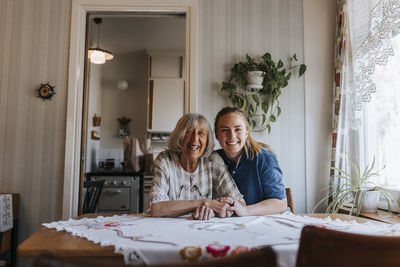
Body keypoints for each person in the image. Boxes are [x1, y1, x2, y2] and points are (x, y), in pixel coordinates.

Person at [150, 113, 245, 220]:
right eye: (189, 132)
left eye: (201, 133)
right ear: (179, 136)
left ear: (207, 139)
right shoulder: (165, 160)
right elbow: (156, 208)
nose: (195, 139)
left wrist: (218, 210)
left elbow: (240, 205)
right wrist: (203, 203)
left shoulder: (213, 161)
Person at [214, 107, 287, 216]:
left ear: (246, 132)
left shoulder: (264, 158)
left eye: (238, 129)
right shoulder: (213, 160)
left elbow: (280, 203)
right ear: (216, 135)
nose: (232, 136)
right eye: (224, 130)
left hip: (263, 222)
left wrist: (246, 211)